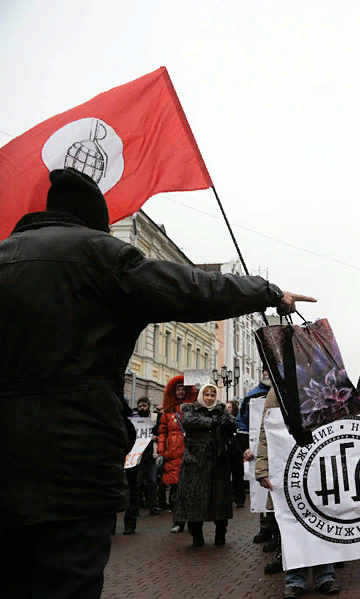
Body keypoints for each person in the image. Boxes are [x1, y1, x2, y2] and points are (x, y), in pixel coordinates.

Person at [0, 167, 316, 599]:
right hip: (76, 454)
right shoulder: (102, 256)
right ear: (96, 220)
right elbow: (194, 289)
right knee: (68, 578)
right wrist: (267, 291)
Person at [255, 388, 341, 596]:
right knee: (292, 526)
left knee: (322, 521)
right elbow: (267, 430)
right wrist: (262, 468)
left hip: (319, 465)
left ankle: (325, 575)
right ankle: (295, 579)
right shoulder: (277, 392)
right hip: (287, 466)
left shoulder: (321, 384)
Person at [174, 384, 236, 547]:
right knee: (195, 499)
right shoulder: (191, 409)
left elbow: (231, 423)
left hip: (218, 461)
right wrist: (213, 421)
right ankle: (197, 535)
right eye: (207, 395)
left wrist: (222, 420)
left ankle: (220, 535)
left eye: (212, 395)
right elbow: (188, 421)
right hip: (196, 462)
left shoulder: (221, 410)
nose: (209, 398)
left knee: (219, 499)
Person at [237, 371, 275, 543]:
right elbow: (242, 423)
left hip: (279, 447)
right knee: (260, 489)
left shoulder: (285, 392)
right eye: (265, 371)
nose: (267, 373)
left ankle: (277, 533)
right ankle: (265, 528)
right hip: (258, 448)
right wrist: (245, 447)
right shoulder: (251, 396)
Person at [157, 376, 197, 533]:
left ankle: (191, 520)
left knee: (189, 490)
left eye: (182, 389)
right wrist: (161, 452)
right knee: (174, 492)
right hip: (172, 455)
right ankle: (178, 521)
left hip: (188, 452)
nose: (180, 391)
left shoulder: (191, 408)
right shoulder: (167, 413)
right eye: (177, 389)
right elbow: (162, 433)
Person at [120, 397, 160, 535]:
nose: (143, 408)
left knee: (142, 485)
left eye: (145, 405)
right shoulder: (130, 416)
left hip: (142, 454)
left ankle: (131, 522)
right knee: (134, 485)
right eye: (140, 405)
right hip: (130, 455)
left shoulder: (131, 415)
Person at [225, 398, 246, 508]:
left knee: (238, 475)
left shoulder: (237, 420)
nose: (227, 409)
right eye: (226, 407)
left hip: (236, 450)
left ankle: (239, 498)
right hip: (227, 449)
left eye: (229, 407)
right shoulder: (223, 419)